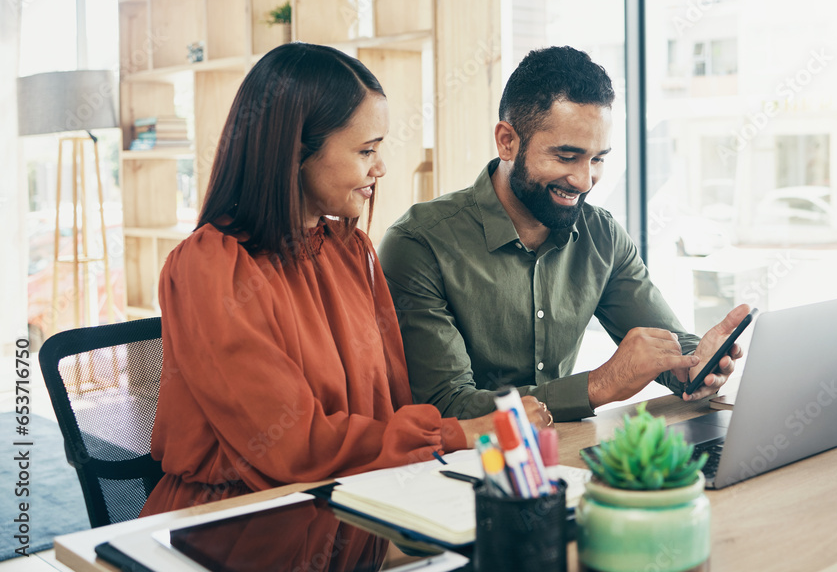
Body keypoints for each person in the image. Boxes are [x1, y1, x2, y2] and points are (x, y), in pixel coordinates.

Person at [141, 43, 550, 517]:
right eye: (366, 150)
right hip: (242, 523)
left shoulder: (352, 251)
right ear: (296, 151)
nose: (380, 168)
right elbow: (292, 446)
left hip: (354, 505)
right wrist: (465, 432)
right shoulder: (209, 266)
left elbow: (392, 406)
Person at [378, 46, 750, 422]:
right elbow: (448, 405)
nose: (584, 180)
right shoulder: (419, 243)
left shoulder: (602, 235)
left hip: (564, 455)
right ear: (507, 141)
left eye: (598, 159)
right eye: (566, 157)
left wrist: (695, 364)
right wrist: (598, 385)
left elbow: (668, 344)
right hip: (461, 468)